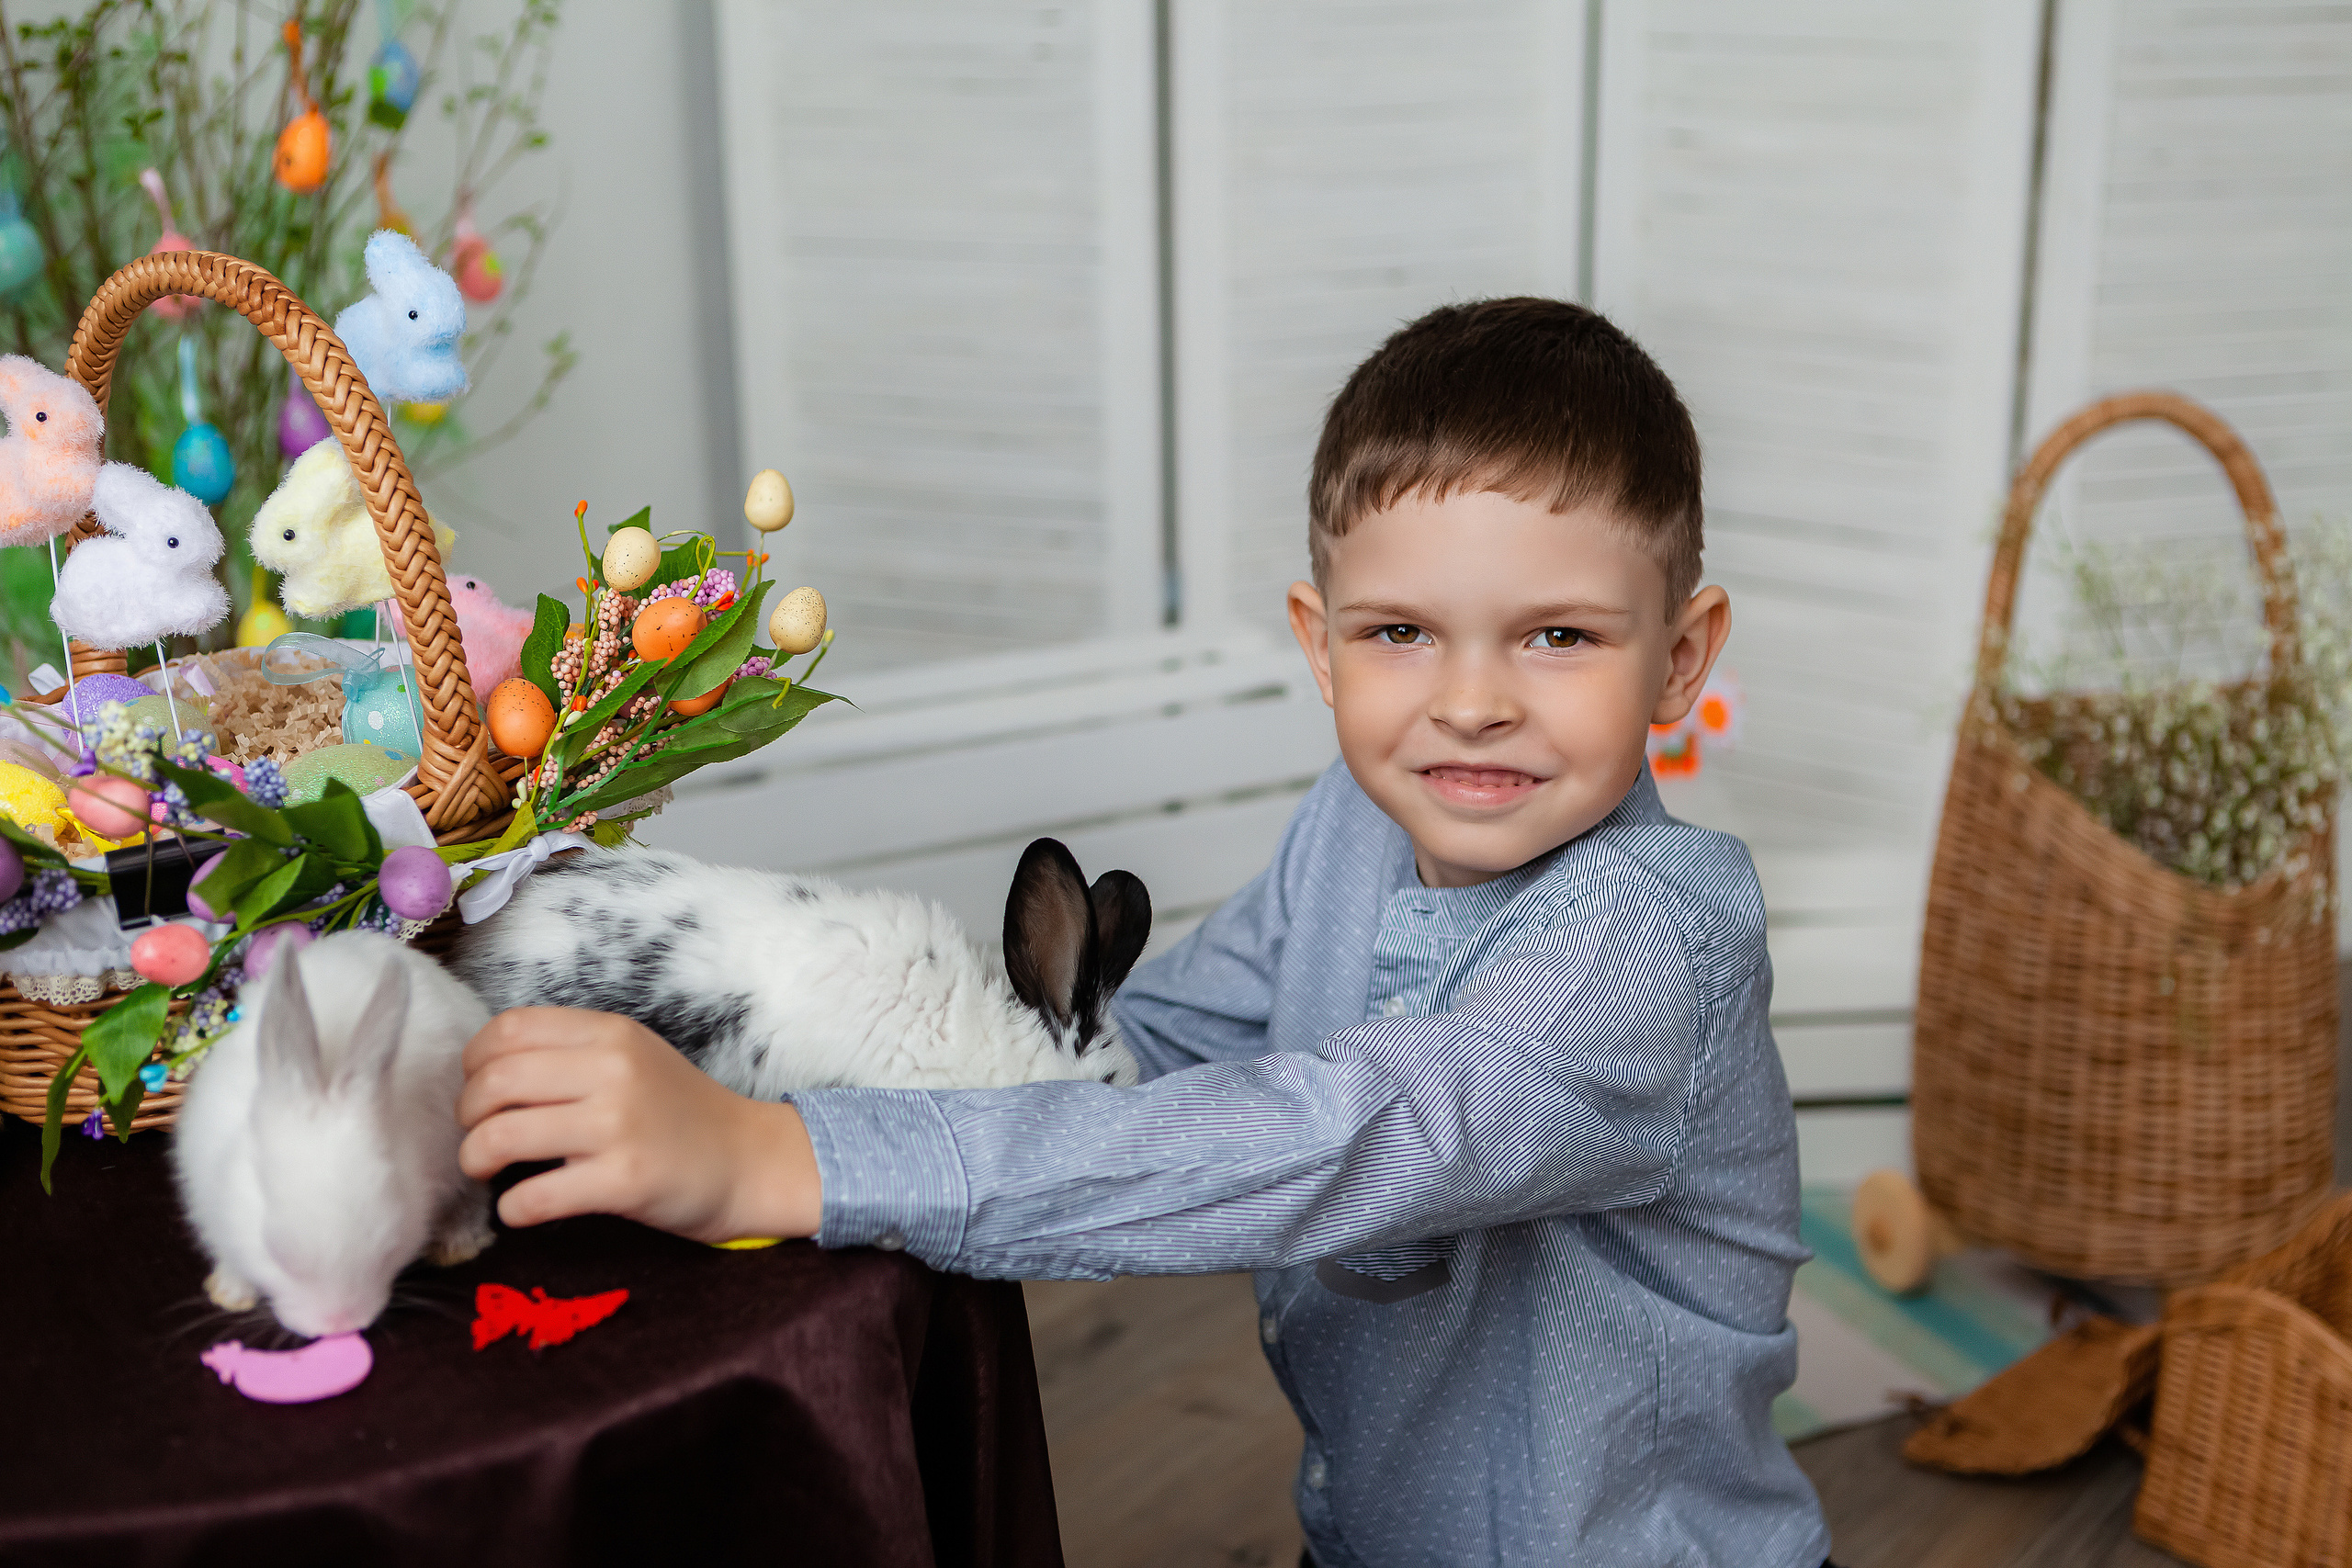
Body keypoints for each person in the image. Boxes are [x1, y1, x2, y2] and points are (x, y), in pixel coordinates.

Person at [457, 297, 1836, 1568]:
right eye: (1403, 631)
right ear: (1322, 642)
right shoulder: (1357, 827)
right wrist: (894, 1049)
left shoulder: (1650, 941)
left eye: (1559, 639)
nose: (1470, 702)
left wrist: (783, 1159)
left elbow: (1336, 1136)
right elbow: (1165, 1045)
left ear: (1682, 655)